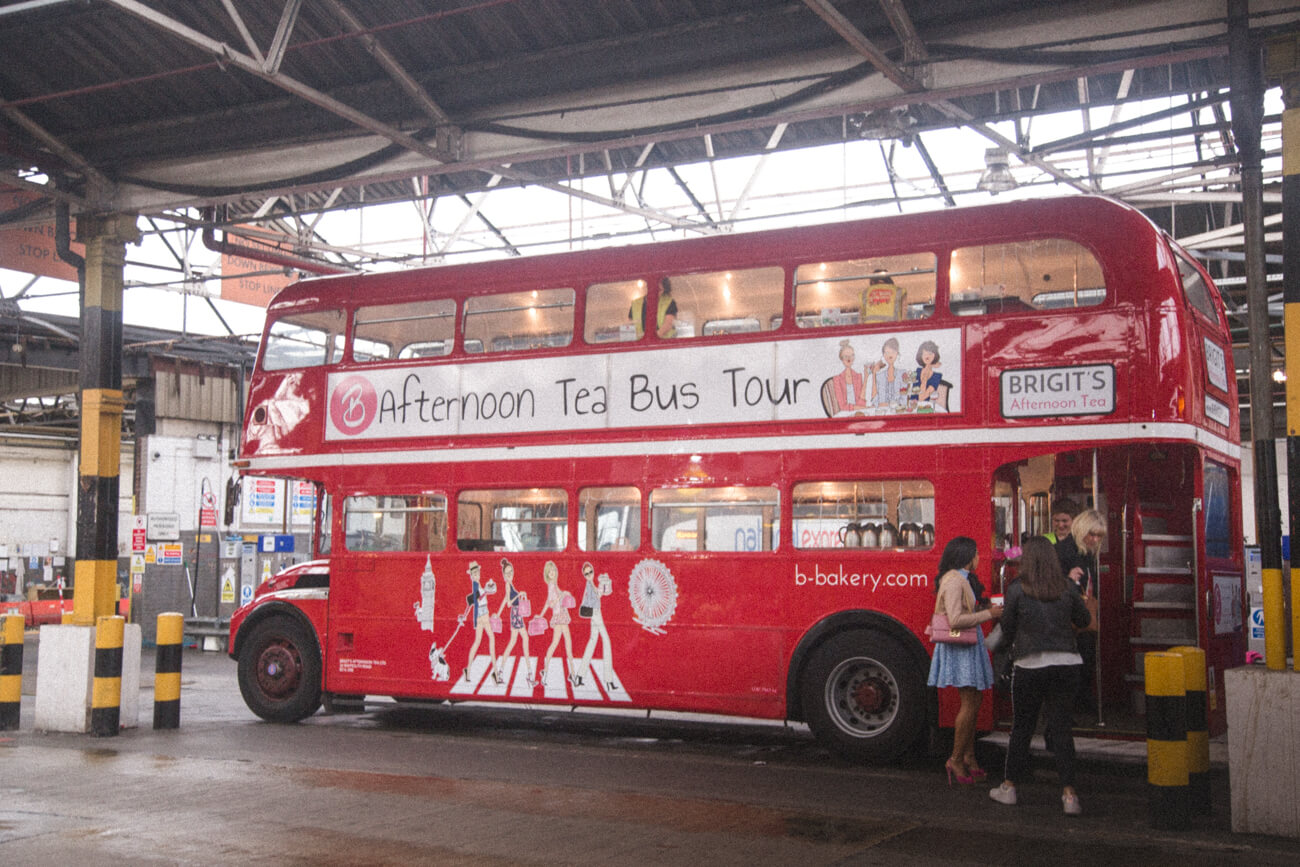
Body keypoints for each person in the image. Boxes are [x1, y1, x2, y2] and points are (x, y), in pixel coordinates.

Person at [989, 536, 1092, 815]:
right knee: (1061, 730)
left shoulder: (1017, 589)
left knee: (1022, 727)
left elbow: (1008, 628)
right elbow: (1084, 620)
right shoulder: (1067, 586)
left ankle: (1009, 787)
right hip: (1067, 664)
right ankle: (1070, 796)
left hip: (1030, 665)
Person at [927, 536, 1002, 785]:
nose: (980, 557)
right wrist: (988, 614)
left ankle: (969, 757)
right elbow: (956, 621)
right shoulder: (955, 581)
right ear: (967, 556)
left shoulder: (957, 579)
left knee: (973, 699)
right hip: (962, 645)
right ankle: (956, 759)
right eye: (977, 553)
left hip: (967, 644)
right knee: (970, 701)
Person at [1055, 508, 1106, 712]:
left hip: (1080, 614)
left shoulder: (1083, 551)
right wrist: (1068, 580)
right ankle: (1075, 706)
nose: (1094, 539)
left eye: (1098, 536)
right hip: (1070, 616)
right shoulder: (1066, 551)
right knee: (1076, 663)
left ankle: (1082, 701)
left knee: (1085, 658)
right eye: (1091, 534)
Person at [830, 339, 866, 413]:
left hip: (858, 413)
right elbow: (842, 407)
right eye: (846, 356)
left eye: (852, 355)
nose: (849, 359)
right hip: (845, 415)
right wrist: (863, 408)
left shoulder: (858, 376)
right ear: (841, 358)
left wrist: (866, 377)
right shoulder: (837, 379)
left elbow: (862, 403)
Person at [869, 337, 905, 408]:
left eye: (893, 352)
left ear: (897, 354)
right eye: (887, 352)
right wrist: (874, 375)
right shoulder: (880, 376)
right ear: (884, 355)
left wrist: (888, 405)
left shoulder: (903, 374)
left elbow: (904, 399)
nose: (890, 355)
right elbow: (874, 400)